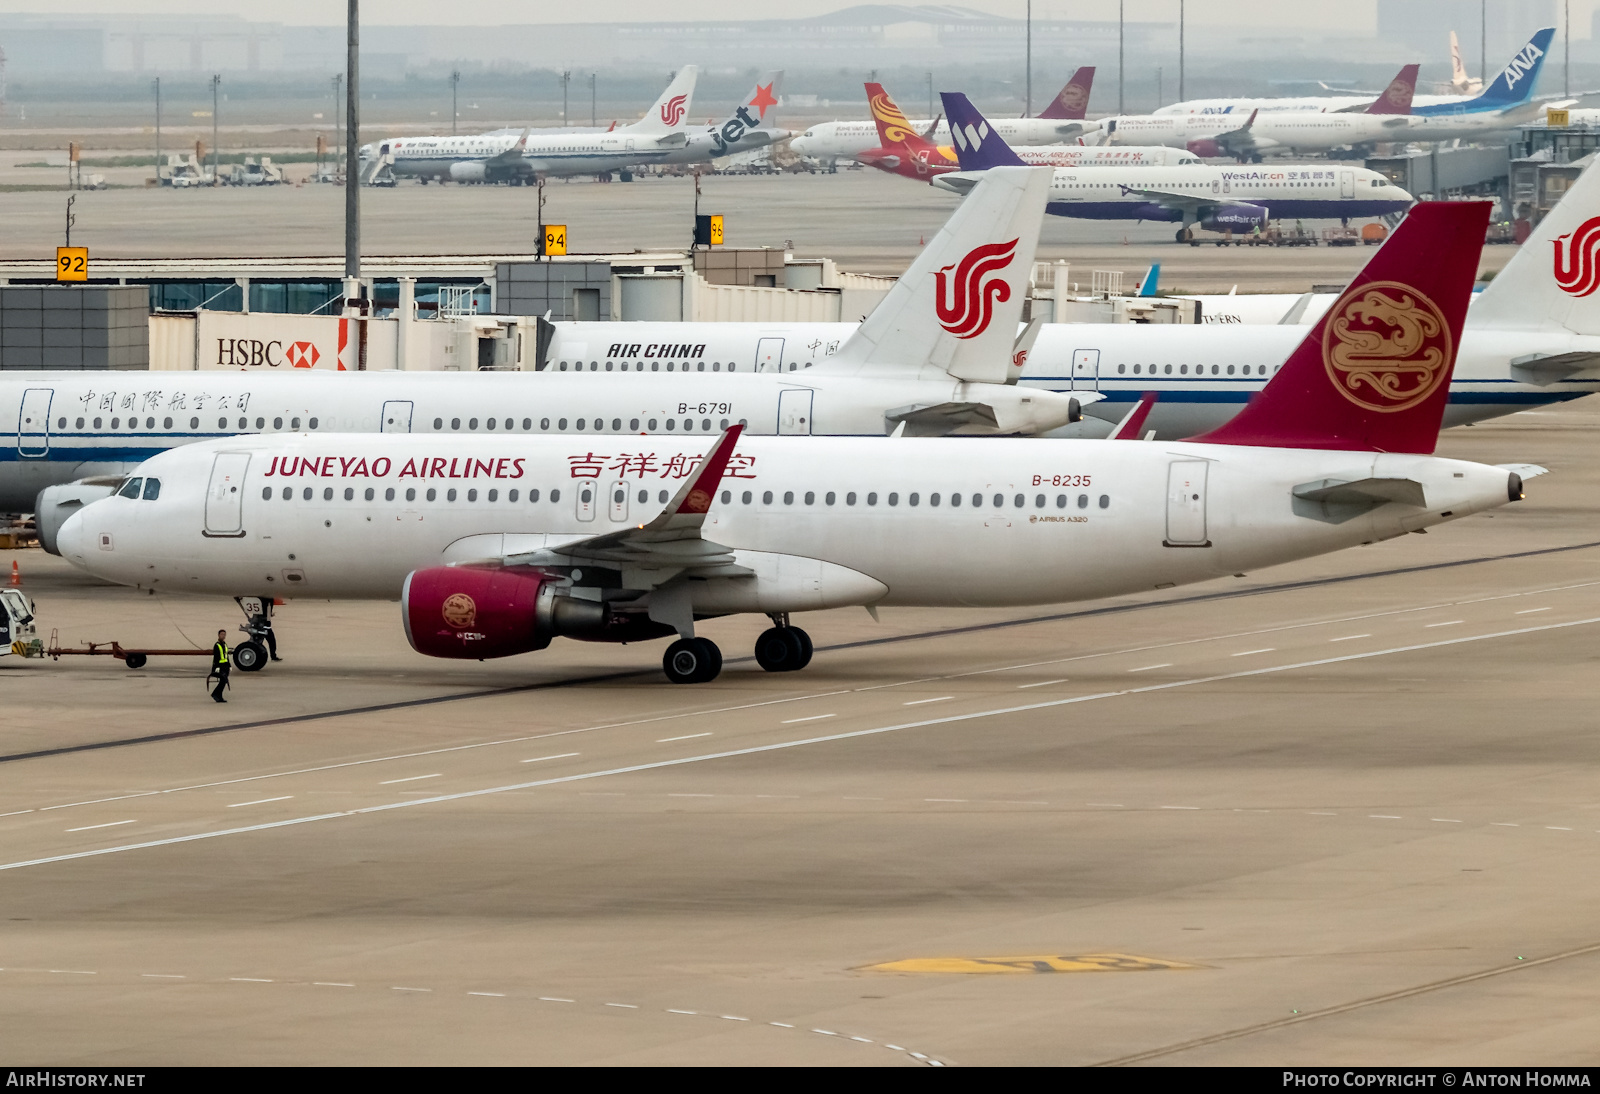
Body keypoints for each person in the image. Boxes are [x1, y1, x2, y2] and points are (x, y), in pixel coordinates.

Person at [209, 629, 230, 703]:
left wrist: (229, 665)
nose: (223, 636)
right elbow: (216, 657)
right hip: (219, 666)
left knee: (223, 681)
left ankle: (219, 696)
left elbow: (226, 655)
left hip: (225, 666)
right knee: (223, 680)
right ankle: (215, 694)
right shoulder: (217, 645)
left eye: (224, 635)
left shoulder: (225, 644)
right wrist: (216, 667)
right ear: (218, 635)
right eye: (222, 634)